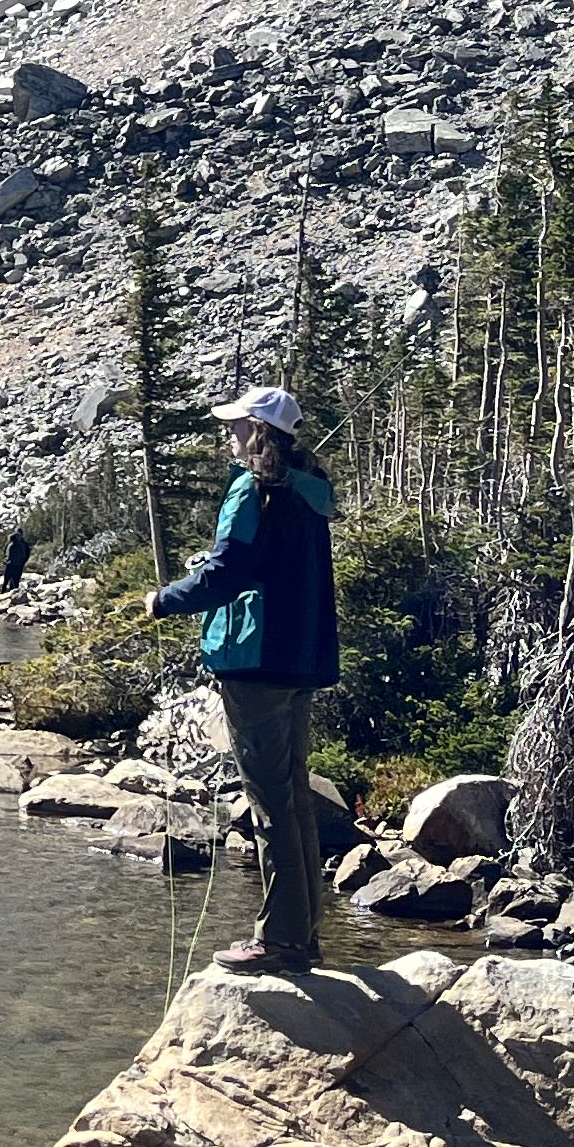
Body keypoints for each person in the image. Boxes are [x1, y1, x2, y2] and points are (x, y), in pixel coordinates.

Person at [142, 385, 341, 973]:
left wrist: (164, 598)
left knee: (270, 801)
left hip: (254, 661)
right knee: (293, 796)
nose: (228, 434)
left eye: (235, 426)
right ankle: (302, 935)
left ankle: (280, 940)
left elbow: (227, 574)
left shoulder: (252, 490)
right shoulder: (309, 492)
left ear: (256, 432)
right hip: (301, 658)